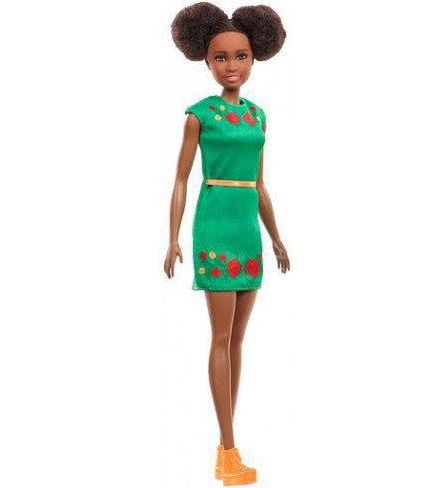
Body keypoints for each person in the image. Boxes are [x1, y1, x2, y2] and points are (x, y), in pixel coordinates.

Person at [164, 2, 290, 485]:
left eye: (240, 56)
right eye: (221, 57)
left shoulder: (258, 116)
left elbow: (259, 184)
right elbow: (180, 179)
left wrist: (276, 237)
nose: (231, 66)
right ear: (205, 59)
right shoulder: (199, 115)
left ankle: (226, 449)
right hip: (215, 227)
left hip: (248, 232)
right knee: (220, 338)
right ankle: (229, 450)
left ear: (255, 57)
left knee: (237, 340)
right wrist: (172, 238)